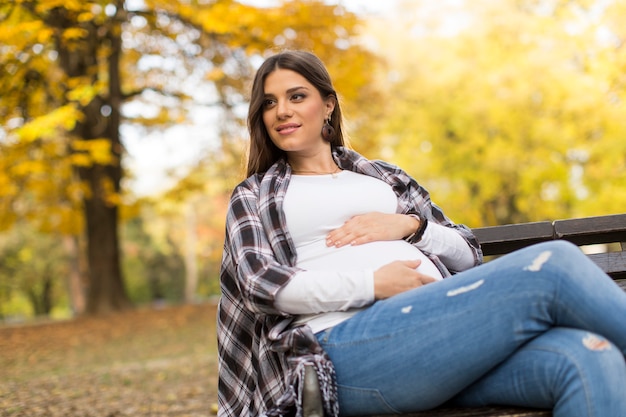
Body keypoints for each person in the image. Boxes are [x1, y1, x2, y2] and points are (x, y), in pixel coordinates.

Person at [217, 50, 626, 417]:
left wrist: (412, 227)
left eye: (296, 96)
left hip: (441, 340)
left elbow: (467, 254)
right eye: (269, 103)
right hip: (342, 348)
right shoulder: (254, 195)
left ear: (328, 104)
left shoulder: (384, 178)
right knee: (553, 265)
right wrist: (373, 284)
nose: (281, 111)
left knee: (591, 358)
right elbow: (260, 285)